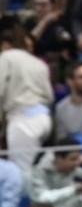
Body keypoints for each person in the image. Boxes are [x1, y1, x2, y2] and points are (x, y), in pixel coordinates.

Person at [0, 19, 54, 178]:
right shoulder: (39, 63)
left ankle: (28, 203)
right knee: (33, 169)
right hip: (44, 119)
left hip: (23, 120)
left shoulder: (5, 58)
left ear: (4, 44)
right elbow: (49, 96)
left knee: (21, 171)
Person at [29, 138, 82, 207]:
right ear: (59, 158)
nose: (77, 163)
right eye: (73, 159)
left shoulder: (80, 172)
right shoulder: (40, 171)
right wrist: (72, 190)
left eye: (78, 158)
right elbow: (41, 198)